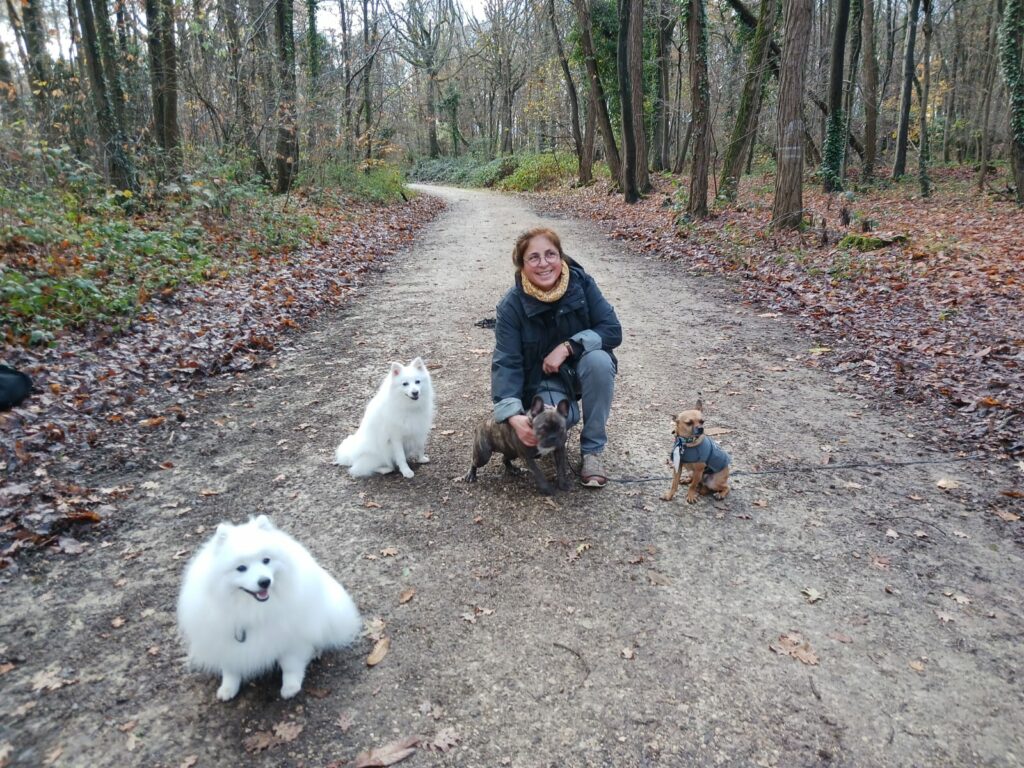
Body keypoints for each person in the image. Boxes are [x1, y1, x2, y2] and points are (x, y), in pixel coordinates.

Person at [491, 227, 621, 488]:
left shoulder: (581, 284)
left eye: (550, 254)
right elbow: (506, 361)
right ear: (522, 265)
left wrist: (569, 347)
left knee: (600, 361)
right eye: (534, 257)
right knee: (562, 419)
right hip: (538, 381)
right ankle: (546, 431)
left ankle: (592, 452)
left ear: (561, 257)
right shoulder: (511, 306)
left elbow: (611, 330)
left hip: (575, 374)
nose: (543, 264)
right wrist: (512, 413)